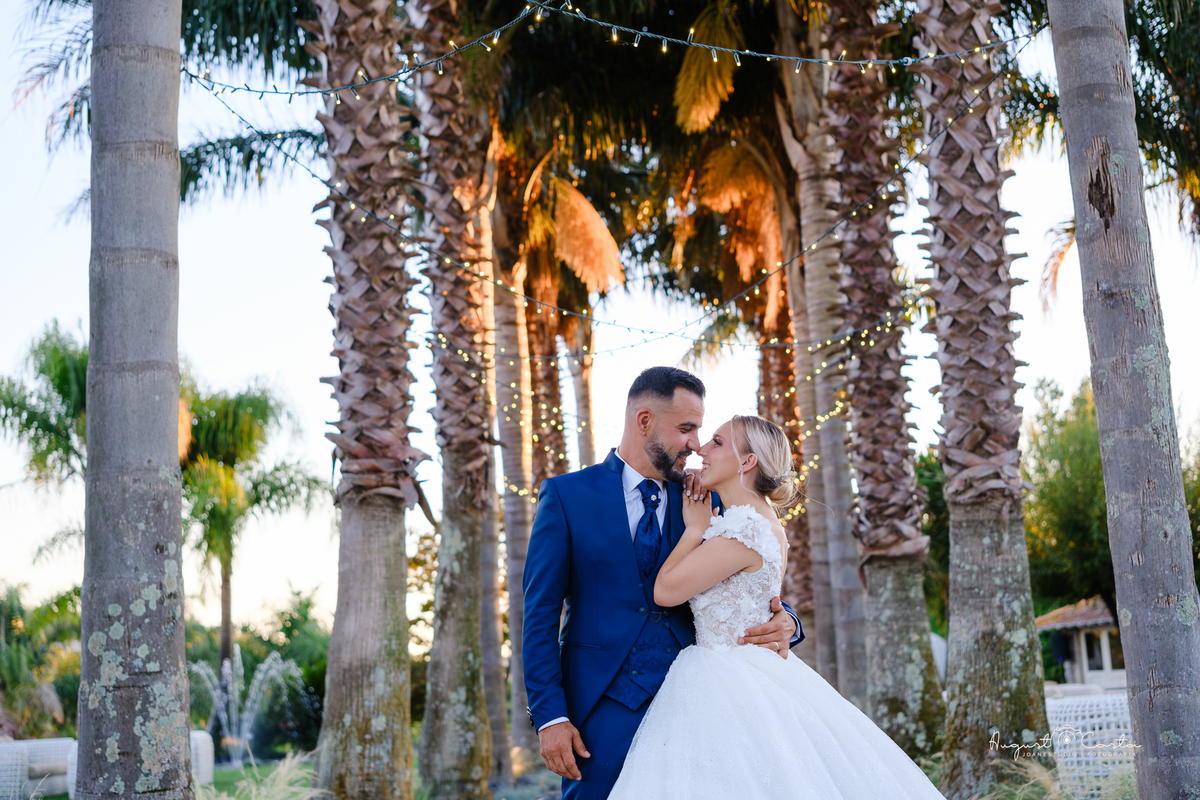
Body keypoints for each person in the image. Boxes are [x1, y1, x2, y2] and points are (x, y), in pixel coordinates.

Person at [607, 414, 946, 799]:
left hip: (726, 677)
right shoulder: (751, 521)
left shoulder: (745, 529)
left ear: (748, 461)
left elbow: (666, 591)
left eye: (717, 442)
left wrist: (695, 530)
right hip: (748, 669)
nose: (702, 449)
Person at [522, 367, 804, 800]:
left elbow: (754, 572)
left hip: (699, 707)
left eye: (702, 432)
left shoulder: (712, 497)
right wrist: (550, 716)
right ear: (644, 421)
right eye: (686, 429)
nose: (696, 444)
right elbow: (539, 613)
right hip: (598, 710)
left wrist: (788, 622)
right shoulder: (567, 496)